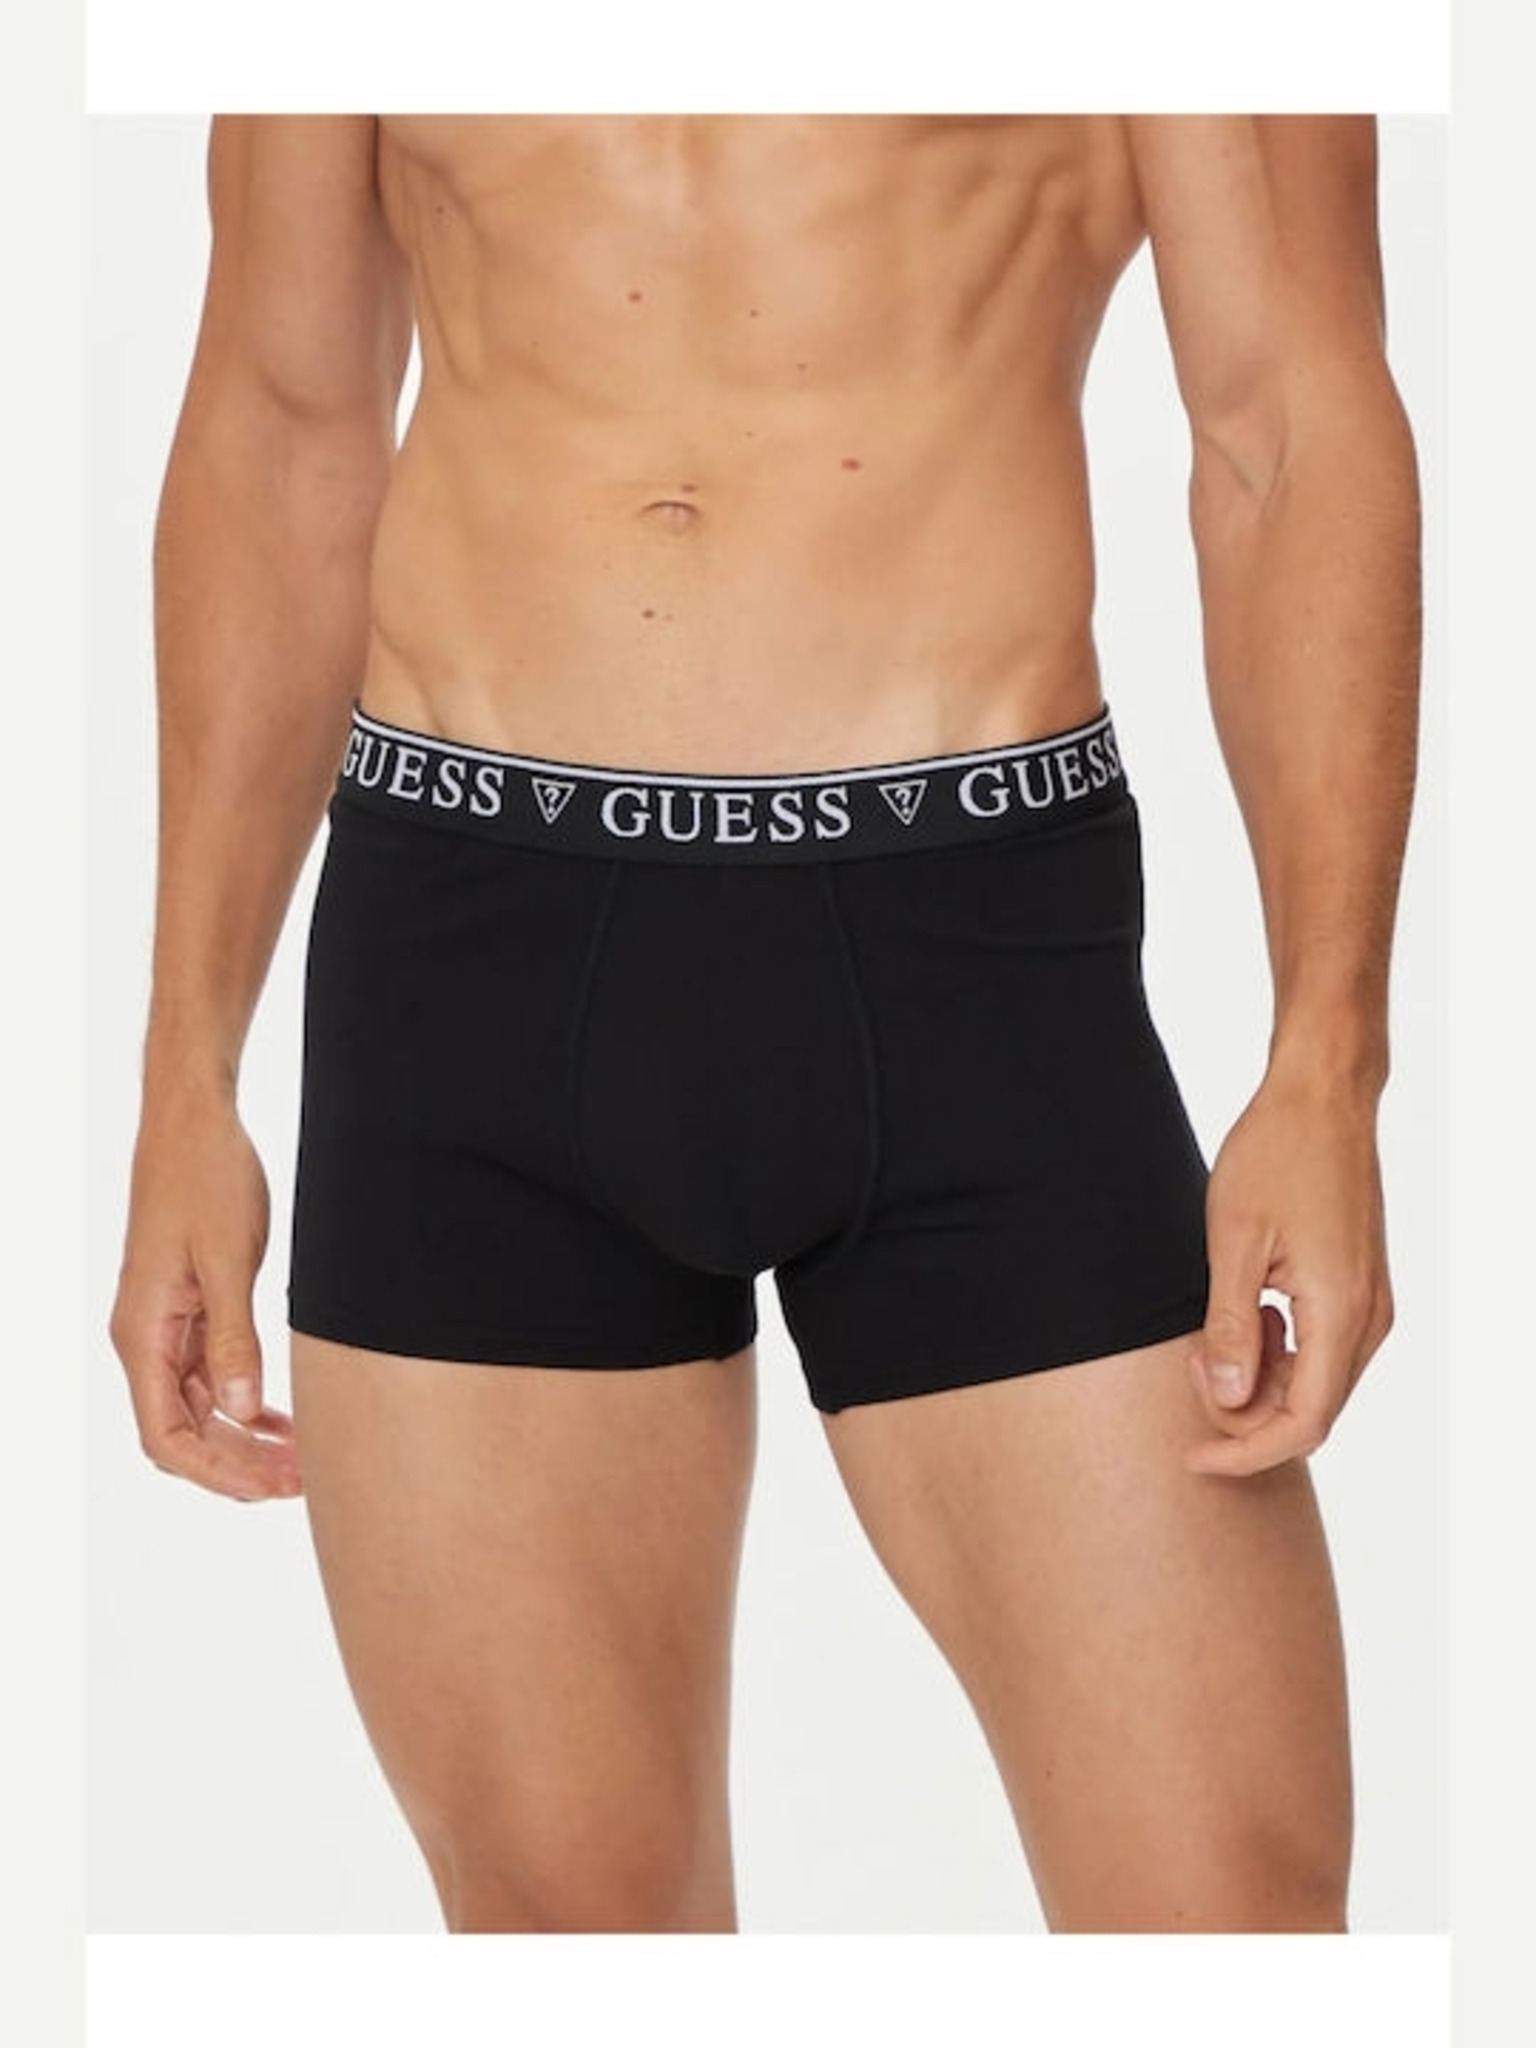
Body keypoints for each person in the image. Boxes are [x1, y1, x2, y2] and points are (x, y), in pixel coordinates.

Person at [108, 114, 1420, 1934]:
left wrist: (1327, 1061)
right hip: (469, 963)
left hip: (967, 953)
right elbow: (282, 420)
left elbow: (1286, 424)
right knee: (566, 1941)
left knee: (1228, 1931)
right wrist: (187, 1071)